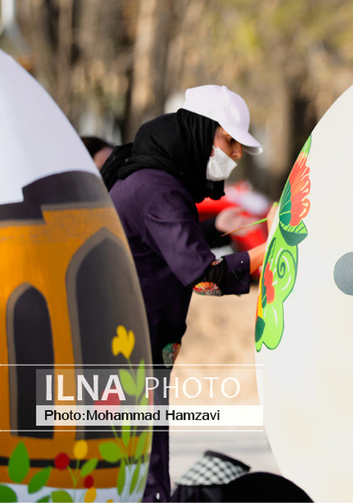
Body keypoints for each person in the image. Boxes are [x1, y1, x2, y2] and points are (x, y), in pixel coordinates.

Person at [101, 84, 276, 502]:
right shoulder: (159, 190)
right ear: (200, 131)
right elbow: (203, 276)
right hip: (128, 350)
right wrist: (264, 254)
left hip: (127, 345)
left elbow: (168, 242)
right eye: (230, 140)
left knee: (135, 463)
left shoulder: (153, 180)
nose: (235, 154)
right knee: (143, 470)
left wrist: (216, 227)